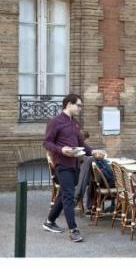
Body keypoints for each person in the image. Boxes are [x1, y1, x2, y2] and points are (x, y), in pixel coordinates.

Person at [42, 93, 103, 242]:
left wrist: (93, 151)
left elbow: (81, 145)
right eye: (78, 105)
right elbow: (47, 143)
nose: (80, 108)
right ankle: (73, 230)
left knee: (64, 193)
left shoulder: (75, 123)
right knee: (69, 196)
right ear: (69, 104)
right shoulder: (55, 122)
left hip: (75, 164)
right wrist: (61, 150)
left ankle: (49, 221)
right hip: (62, 164)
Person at [75, 131, 113, 215]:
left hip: (85, 174)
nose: (85, 142)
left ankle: (90, 206)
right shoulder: (74, 145)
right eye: (84, 140)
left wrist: (98, 153)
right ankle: (91, 205)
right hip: (75, 173)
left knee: (93, 179)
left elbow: (91, 150)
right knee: (93, 178)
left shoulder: (81, 144)